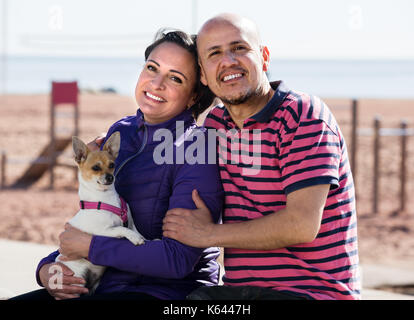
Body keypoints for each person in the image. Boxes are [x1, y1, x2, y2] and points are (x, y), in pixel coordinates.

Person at [11, 29, 223, 300]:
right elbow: (98, 221)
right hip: (104, 283)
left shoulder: (197, 150)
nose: (156, 83)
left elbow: (177, 260)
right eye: (151, 68)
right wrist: (48, 270)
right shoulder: (122, 132)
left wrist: (91, 246)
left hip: (166, 293)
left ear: (194, 96)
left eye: (175, 78)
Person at [162, 13, 361, 300]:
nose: (228, 60)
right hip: (240, 294)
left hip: (313, 293)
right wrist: (116, 141)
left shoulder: (303, 115)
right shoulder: (215, 125)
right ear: (203, 75)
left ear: (264, 56)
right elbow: (163, 156)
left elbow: (301, 225)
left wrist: (208, 235)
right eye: (214, 53)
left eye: (239, 48)